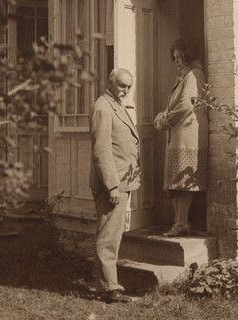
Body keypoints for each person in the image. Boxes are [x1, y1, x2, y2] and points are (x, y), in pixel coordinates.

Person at [89, 68, 140, 303]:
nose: (125, 90)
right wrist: (111, 186)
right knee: (108, 235)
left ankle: (101, 283)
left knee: (110, 232)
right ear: (110, 83)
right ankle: (110, 288)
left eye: (129, 86)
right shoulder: (103, 107)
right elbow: (101, 150)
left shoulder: (117, 105)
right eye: (121, 85)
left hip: (122, 180)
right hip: (112, 182)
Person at [154, 39, 208, 237]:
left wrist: (165, 120)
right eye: (174, 57)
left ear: (188, 55)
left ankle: (181, 222)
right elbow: (175, 105)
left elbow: (186, 105)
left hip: (187, 135)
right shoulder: (184, 76)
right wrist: (163, 115)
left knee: (183, 181)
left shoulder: (194, 75)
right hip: (178, 134)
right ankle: (180, 222)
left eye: (179, 56)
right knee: (175, 181)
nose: (176, 60)